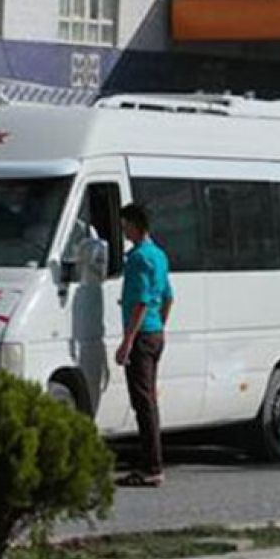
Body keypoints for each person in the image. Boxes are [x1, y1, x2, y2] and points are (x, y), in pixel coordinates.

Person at [114, 204, 174, 488]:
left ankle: (152, 467)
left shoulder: (138, 258)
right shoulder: (159, 255)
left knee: (143, 402)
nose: (124, 230)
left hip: (141, 336)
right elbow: (168, 297)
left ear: (136, 225)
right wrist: (159, 324)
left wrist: (127, 341)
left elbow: (139, 302)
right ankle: (152, 463)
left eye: (126, 225)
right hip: (155, 333)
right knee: (148, 398)